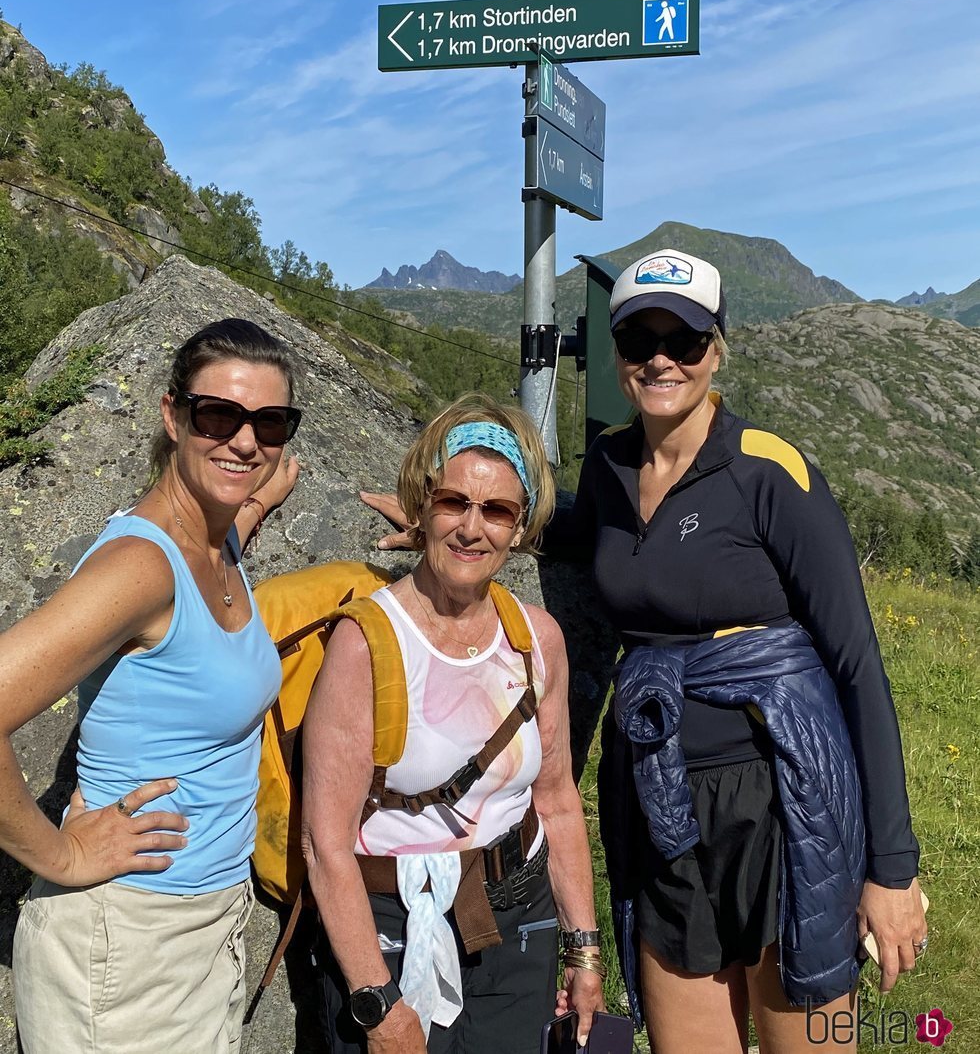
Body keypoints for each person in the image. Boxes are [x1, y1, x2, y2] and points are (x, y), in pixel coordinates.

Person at [361, 252, 927, 1054]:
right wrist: (447, 523)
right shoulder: (611, 465)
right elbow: (570, 531)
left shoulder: (771, 473)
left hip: (782, 803)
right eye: (638, 339)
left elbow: (857, 667)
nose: (661, 357)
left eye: (684, 339)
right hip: (663, 806)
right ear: (617, 354)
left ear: (717, 348)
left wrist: (892, 871)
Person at [5, 318, 301, 1054]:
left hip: (201, 936)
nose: (244, 441)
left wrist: (256, 502)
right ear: (172, 415)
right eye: (218, 415)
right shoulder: (143, 567)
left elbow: (228, 519)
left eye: (270, 422)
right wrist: (60, 856)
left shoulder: (218, 535)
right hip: (126, 948)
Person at [304, 395, 604, 1054]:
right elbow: (325, 844)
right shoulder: (367, 642)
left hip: (517, 919)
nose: (472, 527)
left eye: (497, 509)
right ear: (422, 504)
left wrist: (584, 951)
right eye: (453, 502)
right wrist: (376, 1002)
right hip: (391, 926)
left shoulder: (535, 639)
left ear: (521, 524)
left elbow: (556, 800)